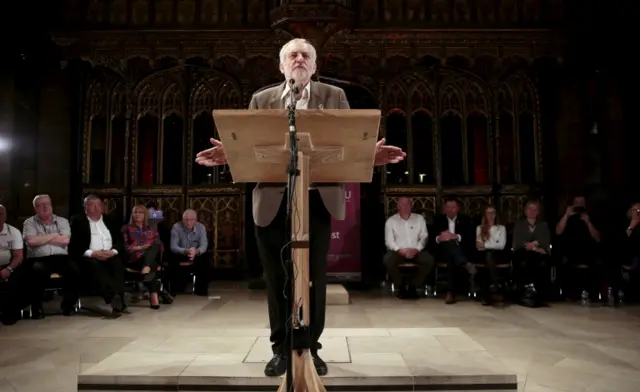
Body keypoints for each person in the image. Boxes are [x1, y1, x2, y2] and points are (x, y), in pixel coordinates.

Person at [195, 38, 405, 377]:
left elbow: (348, 144)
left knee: (312, 278)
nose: (298, 58)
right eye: (291, 55)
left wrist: (368, 156)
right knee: (277, 276)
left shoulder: (334, 97)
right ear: (281, 66)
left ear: (315, 65)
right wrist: (230, 155)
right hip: (273, 200)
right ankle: (281, 348)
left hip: (317, 198)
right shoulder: (262, 99)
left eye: (305, 55)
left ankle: (310, 347)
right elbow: (248, 149)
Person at [22, 194, 81, 318]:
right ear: (35, 208)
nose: (45, 207)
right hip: (38, 259)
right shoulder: (29, 222)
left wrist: (41, 239)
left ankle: (68, 305)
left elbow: (65, 241)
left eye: (47, 204)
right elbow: (31, 242)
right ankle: (36, 307)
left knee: (75, 271)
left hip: (60, 258)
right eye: (41, 205)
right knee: (37, 271)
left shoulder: (62, 221)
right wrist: (55, 236)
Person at [68, 195, 127, 316]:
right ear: (85, 208)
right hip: (89, 256)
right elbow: (74, 244)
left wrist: (113, 251)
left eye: (98, 205)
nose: (95, 208)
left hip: (110, 253)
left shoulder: (111, 219)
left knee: (118, 266)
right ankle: (113, 298)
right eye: (91, 205)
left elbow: (119, 240)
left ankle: (118, 300)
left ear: (102, 207)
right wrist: (92, 253)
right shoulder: (77, 221)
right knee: (96, 267)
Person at [383, 197, 434, 299]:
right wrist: (400, 250)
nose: (405, 207)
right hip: (399, 251)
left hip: (416, 250)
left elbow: (424, 236)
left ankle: (413, 286)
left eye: (407, 205)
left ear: (411, 206)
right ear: (397, 206)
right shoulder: (391, 221)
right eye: (402, 205)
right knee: (388, 260)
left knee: (429, 261)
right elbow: (389, 241)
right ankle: (400, 286)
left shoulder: (419, 219)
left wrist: (417, 249)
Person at [475, 205, 507, 306]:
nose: (490, 215)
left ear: (495, 214)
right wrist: (489, 245)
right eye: (488, 213)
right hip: (483, 254)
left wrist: (486, 244)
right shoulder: (479, 228)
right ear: (485, 214)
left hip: (498, 254)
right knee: (488, 257)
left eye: (492, 213)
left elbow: (501, 245)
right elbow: (479, 247)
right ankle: (495, 288)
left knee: (490, 257)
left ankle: (488, 294)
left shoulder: (501, 228)